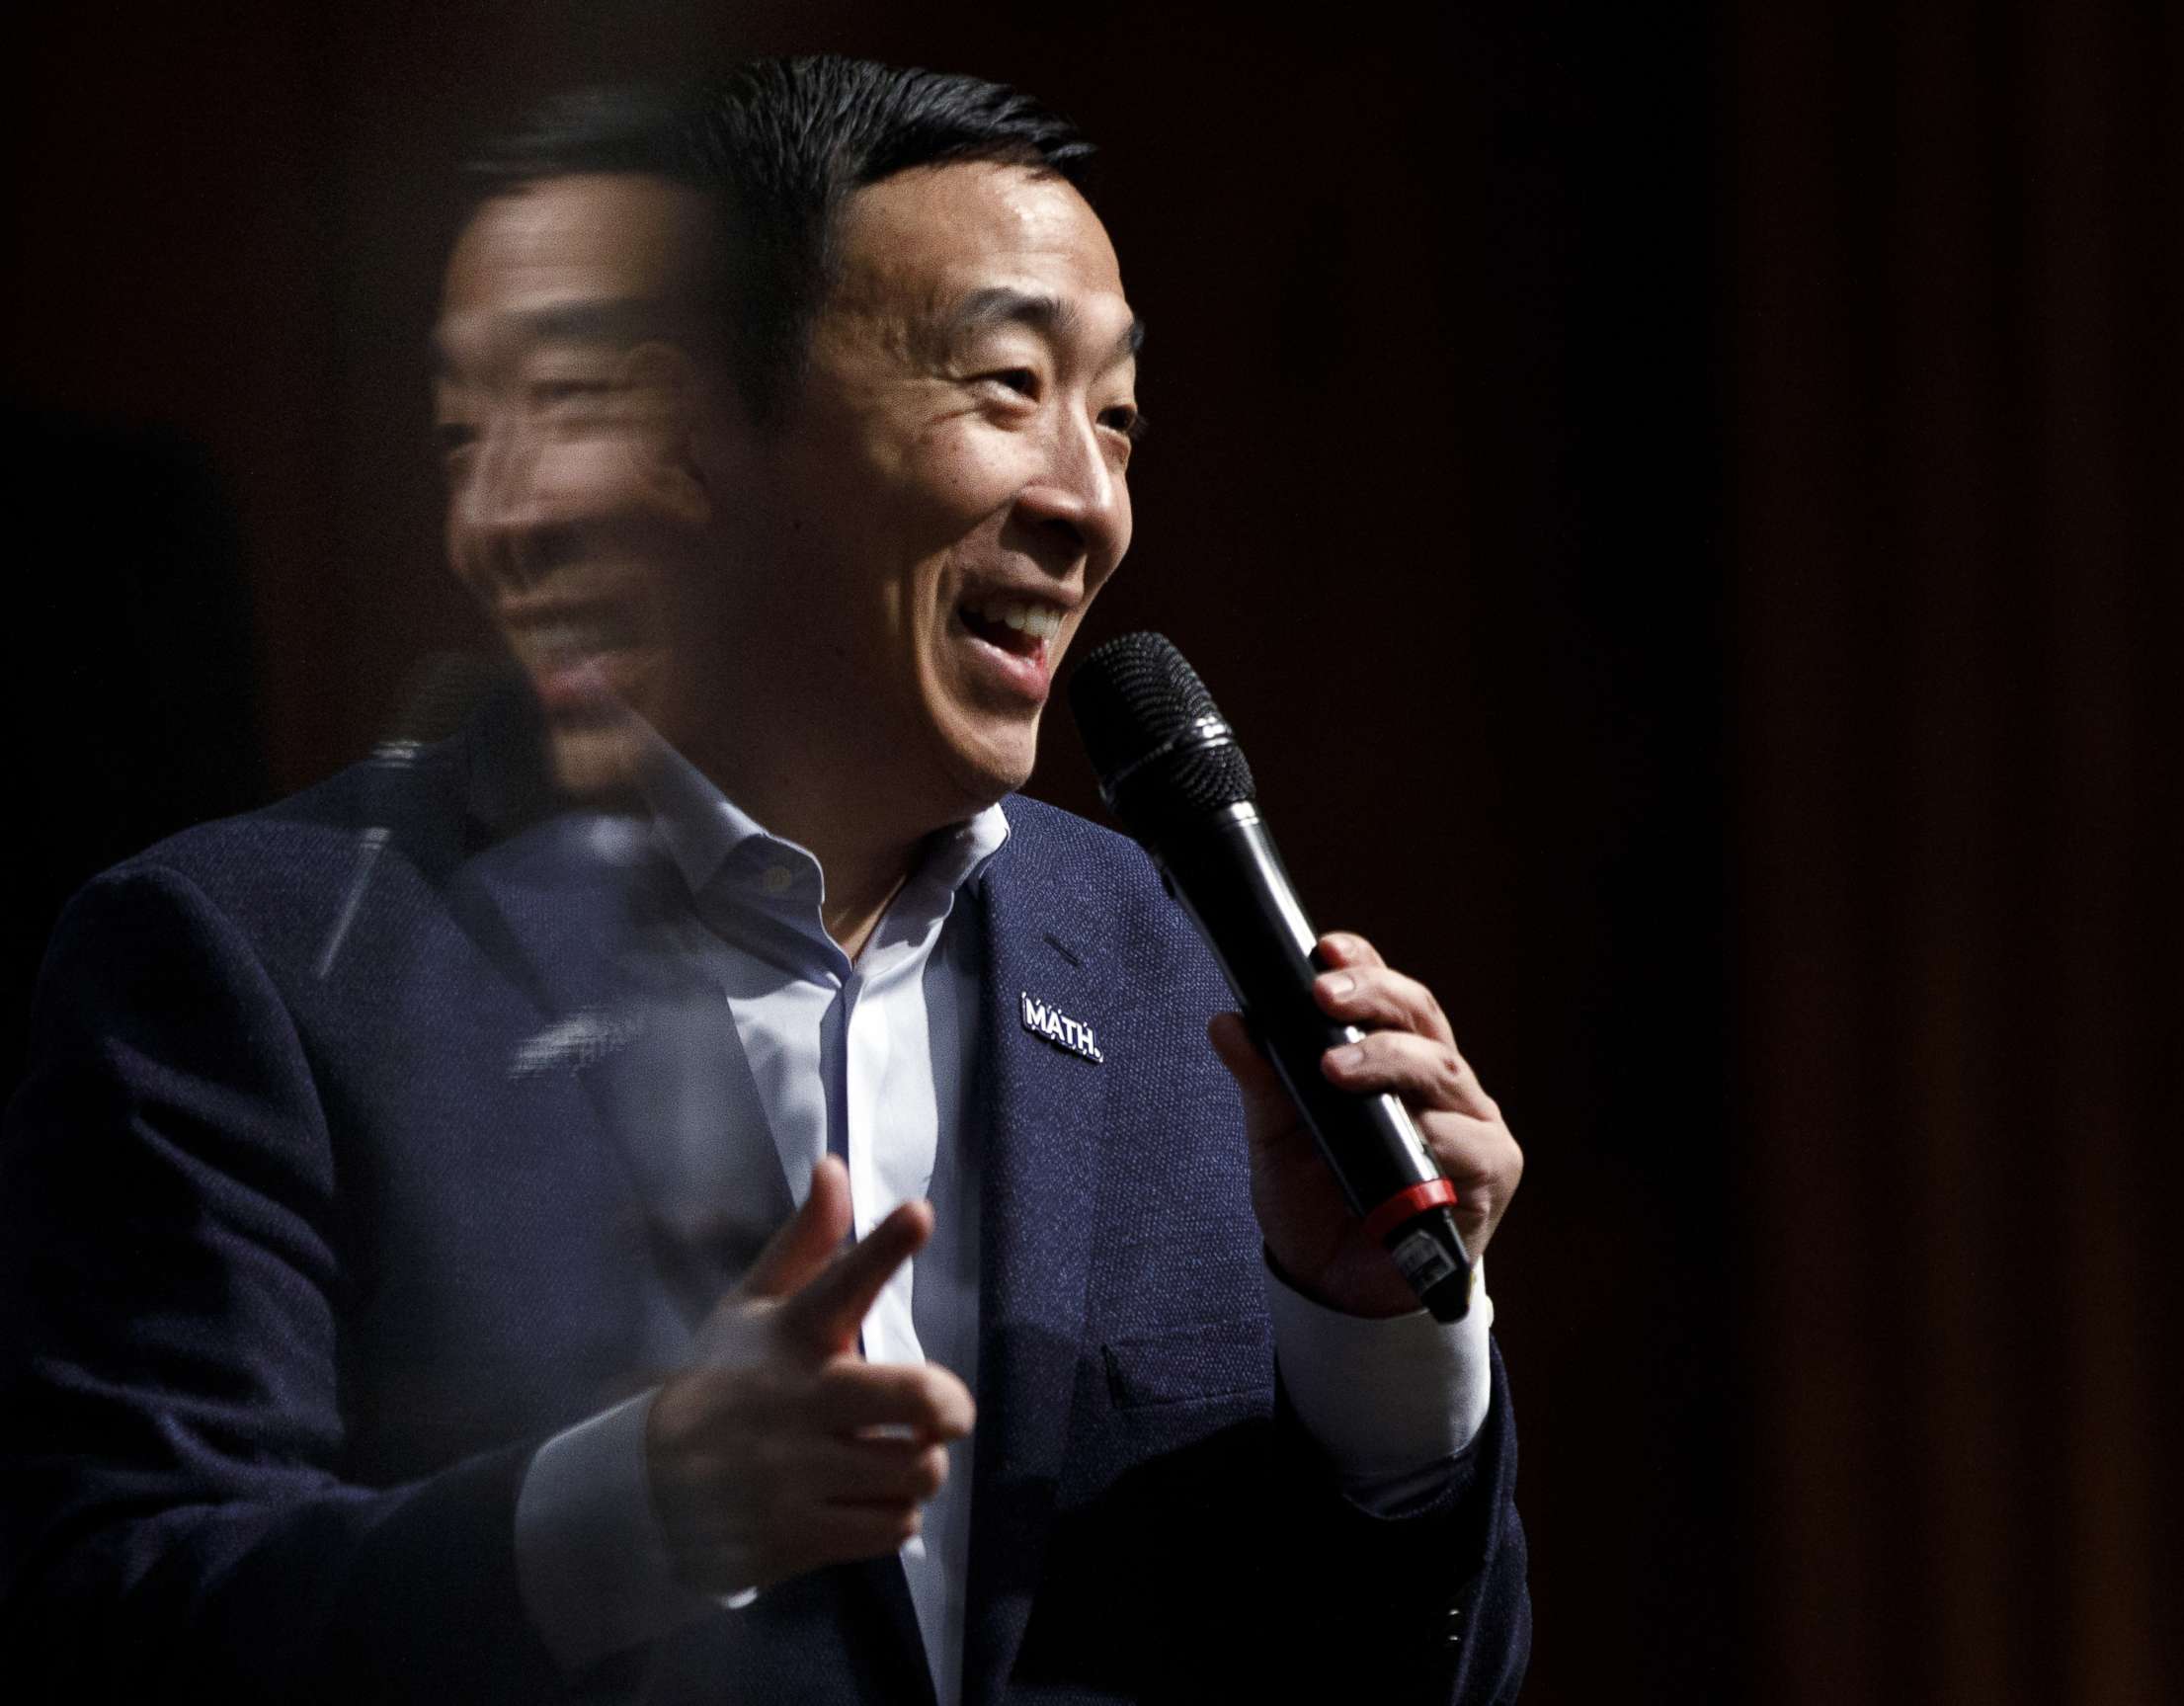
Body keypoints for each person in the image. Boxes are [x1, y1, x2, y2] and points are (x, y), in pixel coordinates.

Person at [0, 59, 1528, 1704]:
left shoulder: (1178, 971)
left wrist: (1383, 1349)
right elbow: (123, 1626)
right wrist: (628, 1518)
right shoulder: (260, 966)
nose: (1091, 503)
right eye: (1008, 386)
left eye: (1120, 417)